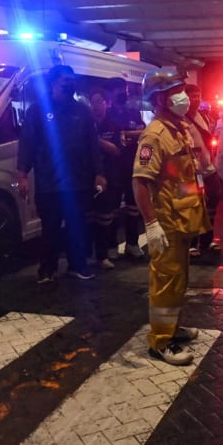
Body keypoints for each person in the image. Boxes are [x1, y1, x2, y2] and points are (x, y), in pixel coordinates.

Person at [132, 71, 210, 365]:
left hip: (182, 220)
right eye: (176, 91)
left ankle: (173, 328)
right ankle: (161, 342)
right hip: (166, 223)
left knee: (177, 281)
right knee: (165, 282)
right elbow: (140, 182)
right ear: (160, 99)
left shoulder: (178, 128)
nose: (184, 97)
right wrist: (151, 224)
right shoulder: (154, 135)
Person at [17, 65, 105, 283]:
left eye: (72, 80)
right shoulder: (37, 111)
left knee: (78, 226)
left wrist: (99, 173)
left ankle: (78, 266)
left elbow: (92, 144)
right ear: (53, 82)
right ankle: (47, 270)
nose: (69, 83)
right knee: (50, 229)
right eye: (65, 80)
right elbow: (27, 144)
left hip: (78, 182)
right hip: (49, 183)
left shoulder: (82, 111)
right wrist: (22, 176)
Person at [107, 78, 146, 258]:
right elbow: (117, 136)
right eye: (119, 90)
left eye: (125, 89)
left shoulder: (134, 113)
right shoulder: (107, 115)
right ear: (111, 92)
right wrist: (130, 133)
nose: (123, 93)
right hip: (113, 166)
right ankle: (111, 246)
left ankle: (132, 243)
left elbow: (142, 132)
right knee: (112, 208)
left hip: (132, 164)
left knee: (133, 206)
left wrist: (129, 133)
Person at [185, 84, 222, 257]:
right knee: (194, 207)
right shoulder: (181, 120)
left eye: (198, 95)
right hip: (192, 173)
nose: (196, 99)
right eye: (192, 95)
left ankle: (207, 241)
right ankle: (191, 243)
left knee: (212, 205)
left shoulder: (203, 117)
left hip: (208, 169)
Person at [89, 89, 123, 270]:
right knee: (90, 218)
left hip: (109, 176)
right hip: (88, 177)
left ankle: (105, 254)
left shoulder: (113, 126)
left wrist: (96, 141)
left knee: (106, 217)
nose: (95, 106)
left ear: (106, 103)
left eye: (99, 102)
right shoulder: (85, 124)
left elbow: (117, 150)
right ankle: (91, 254)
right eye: (92, 102)